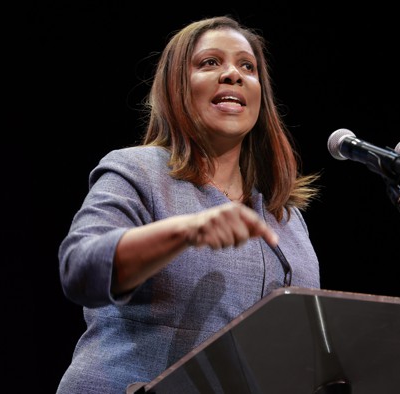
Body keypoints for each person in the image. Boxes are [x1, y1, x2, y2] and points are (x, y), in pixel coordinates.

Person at [56, 15, 321, 393]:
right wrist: (186, 230)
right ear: (176, 87)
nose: (233, 74)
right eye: (210, 62)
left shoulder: (286, 215)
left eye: (247, 66)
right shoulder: (139, 171)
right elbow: (80, 268)